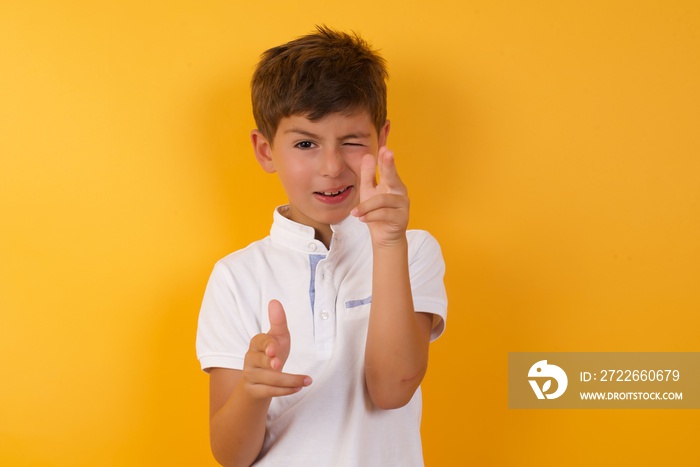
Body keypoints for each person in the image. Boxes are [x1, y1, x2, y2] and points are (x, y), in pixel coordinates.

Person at [196, 26, 447, 467]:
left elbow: (392, 390)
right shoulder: (236, 277)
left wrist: (388, 244)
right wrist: (252, 391)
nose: (332, 167)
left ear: (381, 138)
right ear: (265, 149)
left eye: (352, 141)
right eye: (306, 143)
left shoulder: (412, 250)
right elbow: (230, 455)